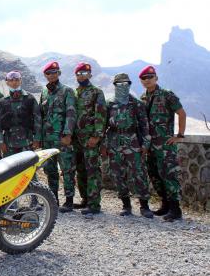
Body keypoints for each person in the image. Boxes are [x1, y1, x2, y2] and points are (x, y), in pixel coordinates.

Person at [102, 73, 153, 218]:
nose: (123, 86)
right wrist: (104, 145)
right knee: (117, 174)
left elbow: (144, 126)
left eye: (126, 84)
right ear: (115, 86)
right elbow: (104, 126)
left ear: (130, 84)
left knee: (139, 173)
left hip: (133, 142)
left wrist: (146, 144)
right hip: (114, 141)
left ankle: (144, 206)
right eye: (119, 84)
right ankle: (126, 205)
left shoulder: (136, 104)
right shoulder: (109, 103)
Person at [139, 65, 186, 221]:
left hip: (165, 146)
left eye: (150, 77)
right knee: (155, 175)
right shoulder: (143, 98)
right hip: (150, 145)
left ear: (156, 78)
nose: (147, 81)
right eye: (144, 78)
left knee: (169, 175)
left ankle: (175, 210)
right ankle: (165, 205)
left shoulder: (167, 95)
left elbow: (181, 113)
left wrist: (179, 135)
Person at [35, 61, 76, 207]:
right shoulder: (44, 92)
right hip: (47, 139)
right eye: (48, 73)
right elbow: (41, 116)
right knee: (50, 170)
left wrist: (68, 134)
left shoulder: (67, 91)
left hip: (61, 138)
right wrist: (38, 138)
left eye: (54, 72)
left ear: (58, 73)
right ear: (45, 75)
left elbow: (71, 113)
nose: (51, 75)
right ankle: (53, 200)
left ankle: (69, 201)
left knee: (67, 169)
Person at [71, 63, 106, 215]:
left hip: (90, 138)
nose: (81, 76)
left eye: (84, 73)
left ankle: (94, 204)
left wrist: (97, 135)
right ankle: (85, 199)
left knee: (92, 170)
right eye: (79, 73)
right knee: (80, 170)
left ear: (90, 75)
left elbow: (101, 115)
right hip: (77, 139)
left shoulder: (97, 92)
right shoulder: (75, 93)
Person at [0, 71, 41, 156]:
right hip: (9, 144)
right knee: (10, 168)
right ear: (7, 82)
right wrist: (0, 141)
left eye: (16, 80)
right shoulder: (3, 101)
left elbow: (37, 119)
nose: (14, 82)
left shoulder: (30, 98)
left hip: (27, 142)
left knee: (28, 167)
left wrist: (37, 139)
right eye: (11, 80)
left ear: (21, 81)